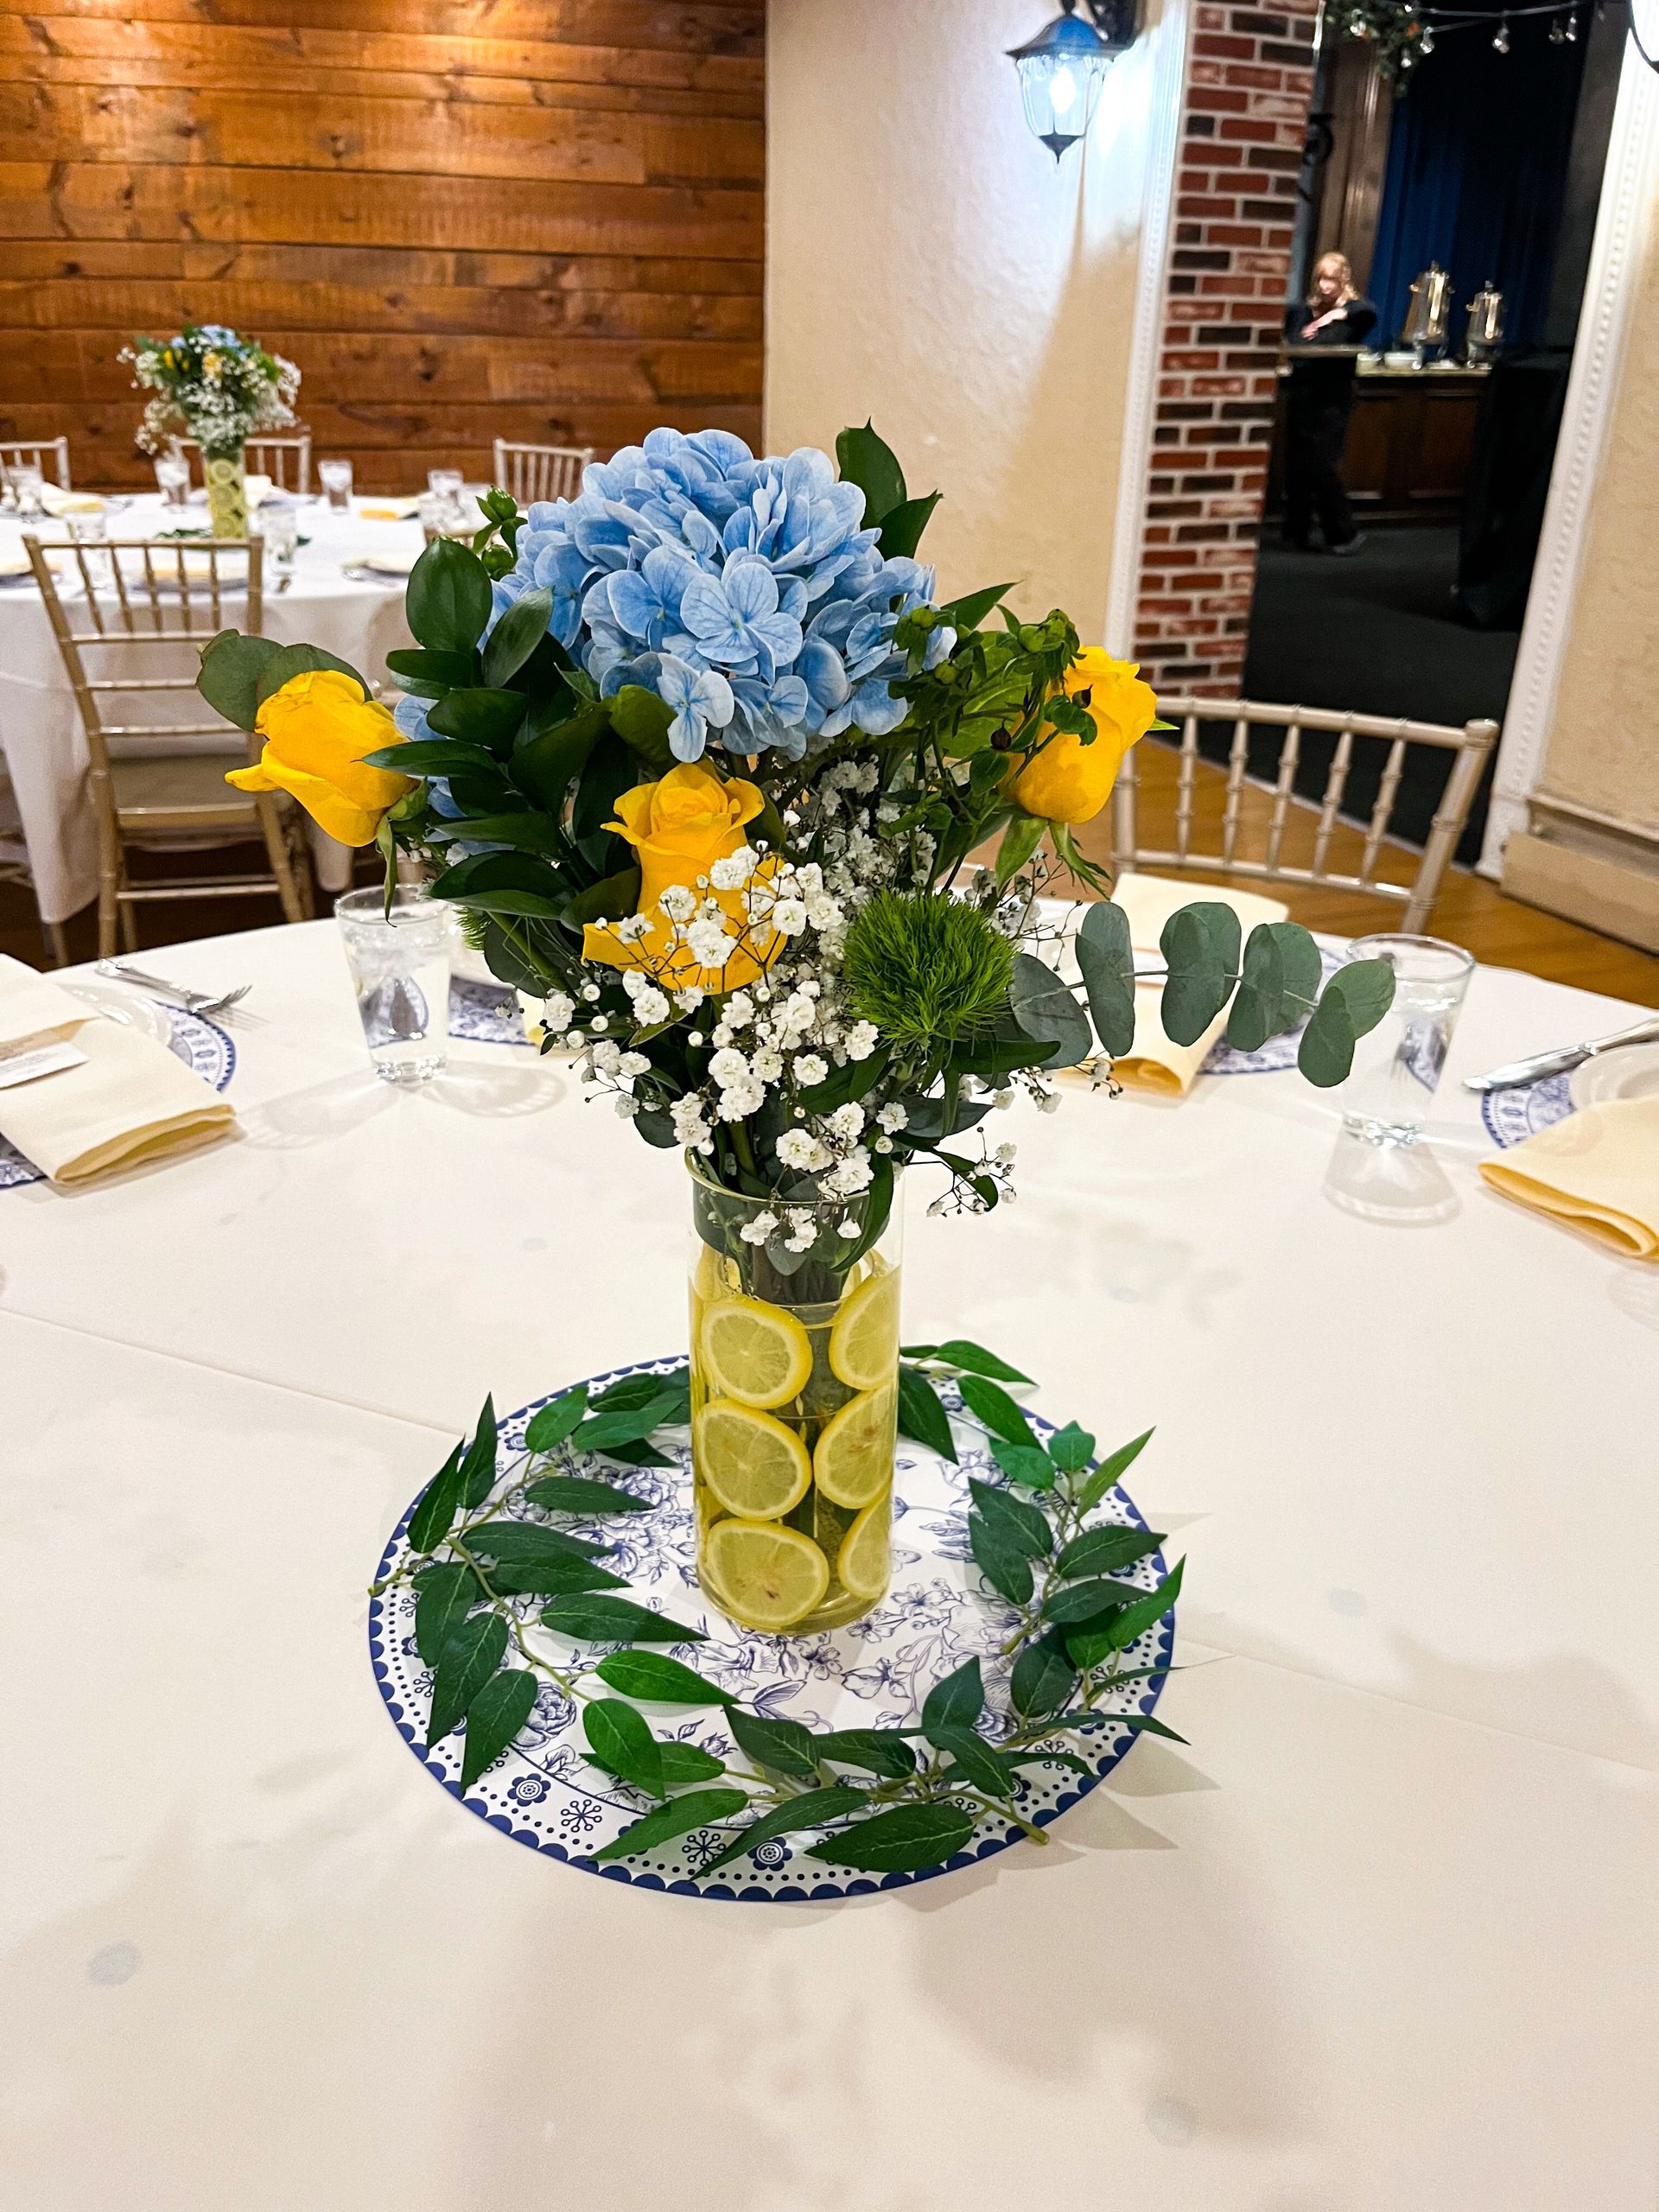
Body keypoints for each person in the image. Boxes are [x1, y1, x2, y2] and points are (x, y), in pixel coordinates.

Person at [1282, 251, 1378, 555]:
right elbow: (1293, 342)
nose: (1325, 286)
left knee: (1323, 466)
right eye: (1321, 279)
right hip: (1301, 395)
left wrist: (1337, 315)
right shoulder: (1300, 311)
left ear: (1344, 280)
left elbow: (1368, 312)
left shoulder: (1354, 311)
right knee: (1297, 466)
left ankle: (1344, 534)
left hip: (1332, 399)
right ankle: (1295, 532)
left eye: (1332, 279)